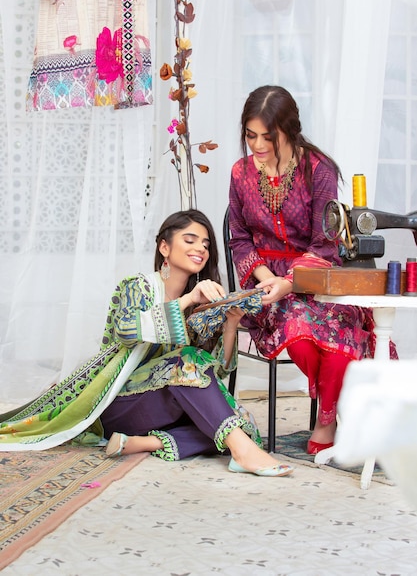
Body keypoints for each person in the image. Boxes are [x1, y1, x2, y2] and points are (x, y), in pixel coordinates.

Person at [0, 209, 293, 477]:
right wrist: (187, 300)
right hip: (119, 404)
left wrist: (230, 323)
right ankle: (241, 454)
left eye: (205, 244)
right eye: (190, 240)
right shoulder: (137, 286)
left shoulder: (202, 305)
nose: (200, 248)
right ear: (164, 247)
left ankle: (146, 443)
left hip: (164, 407)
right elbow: (126, 330)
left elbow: (217, 372)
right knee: (190, 365)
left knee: (243, 422)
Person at [228, 85, 396, 456]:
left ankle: (326, 419)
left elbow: (324, 242)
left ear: (289, 129)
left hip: (318, 277)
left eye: (267, 137)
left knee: (338, 335)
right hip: (266, 284)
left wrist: (291, 282)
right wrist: (266, 279)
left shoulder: (319, 170)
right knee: (301, 338)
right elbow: (239, 239)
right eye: (250, 135)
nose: (257, 145)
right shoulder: (240, 174)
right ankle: (336, 410)